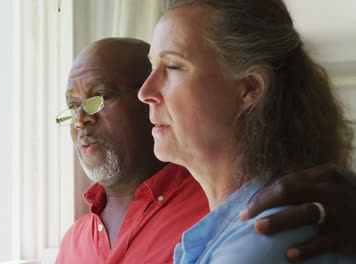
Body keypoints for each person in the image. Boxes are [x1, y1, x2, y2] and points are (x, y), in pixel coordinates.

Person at [55, 37, 356, 263]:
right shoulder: (73, 241)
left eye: (101, 95)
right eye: (72, 107)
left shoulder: (236, 205)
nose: (81, 119)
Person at [138, 0, 356, 263]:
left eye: (173, 66)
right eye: (152, 67)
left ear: (250, 88)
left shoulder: (266, 239)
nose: (145, 93)